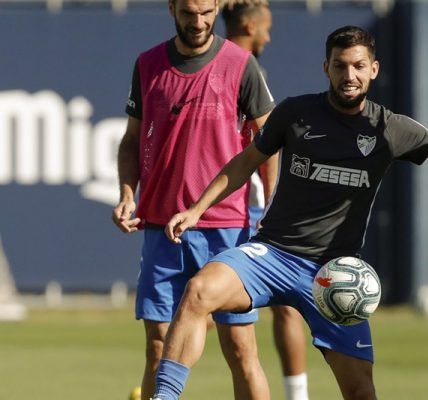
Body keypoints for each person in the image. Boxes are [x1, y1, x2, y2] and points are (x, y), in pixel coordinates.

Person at [147, 25, 428, 400]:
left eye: (359, 66)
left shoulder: (389, 128)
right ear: (326, 68)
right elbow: (245, 162)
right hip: (272, 254)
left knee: (361, 391)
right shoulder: (295, 113)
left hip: (335, 276)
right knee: (199, 291)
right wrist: (197, 209)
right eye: (341, 65)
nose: (350, 75)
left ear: (374, 69)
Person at [112, 0, 275, 398]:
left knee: (239, 349)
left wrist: (271, 209)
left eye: (206, 12)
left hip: (226, 229)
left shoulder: (241, 65)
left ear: (217, 6)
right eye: (189, 12)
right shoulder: (147, 64)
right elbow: (132, 141)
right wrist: (127, 194)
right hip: (161, 227)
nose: (199, 21)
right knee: (157, 348)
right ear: (171, 8)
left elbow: (268, 145)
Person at [222, 2, 311, 399]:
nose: (269, 37)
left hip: (227, 205)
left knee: (209, 299)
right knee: (281, 299)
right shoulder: (244, 68)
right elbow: (267, 144)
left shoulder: (215, 64)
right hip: (249, 205)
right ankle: (298, 395)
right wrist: (275, 202)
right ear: (249, 24)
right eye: (266, 28)